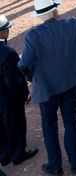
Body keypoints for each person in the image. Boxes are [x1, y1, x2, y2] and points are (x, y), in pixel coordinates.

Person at [19, 0, 76, 176]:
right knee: (71, 119)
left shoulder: (32, 36)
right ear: (55, 10)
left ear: (39, 16)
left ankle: (55, 166)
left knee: (49, 126)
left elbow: (24, 65)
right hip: (70, 82)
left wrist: (33, 78)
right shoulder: (72, 24)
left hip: (46, 88)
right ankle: (75, 160)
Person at [0, 15, 38, 167]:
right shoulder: (8, 53)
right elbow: (14, 80)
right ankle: (18, 154)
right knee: (15, 123)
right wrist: (24, 94)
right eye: (6, 29)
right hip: (8, 97)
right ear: (1, 32)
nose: (8, 31)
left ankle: (3, 155)